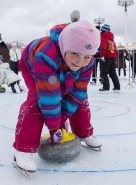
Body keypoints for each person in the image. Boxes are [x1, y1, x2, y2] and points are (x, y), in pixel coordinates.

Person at [13, 20, 101, 172]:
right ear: (66, 47)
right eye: (75, 53)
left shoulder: (88, 61)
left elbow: (78, 91)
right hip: (33, 66)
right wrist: (55, 128)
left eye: (86, 57)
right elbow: (49, 97)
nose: (80, 62)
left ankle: (84, 132)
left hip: (62, 67)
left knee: (80, 99)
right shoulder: (45, 55)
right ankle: (23, 148)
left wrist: (63, 119)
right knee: (37, 100)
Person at [99, 24, 120, 91]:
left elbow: (103, 47)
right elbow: (115, 49)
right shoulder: (111, 39)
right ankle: (117, 87)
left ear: (103, 30)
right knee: (112, 73)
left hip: (106, 57)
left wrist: (102, 56)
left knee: (104, 73)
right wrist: (114, 56)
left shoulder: (103, 37)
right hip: (112, 57)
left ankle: (105, 87)